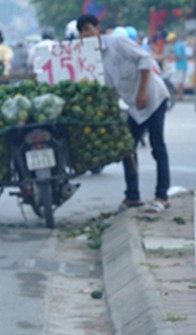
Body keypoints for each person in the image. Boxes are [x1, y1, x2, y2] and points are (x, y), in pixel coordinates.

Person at [76, 14, 171, 213]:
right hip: (134, 106)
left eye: (88, 29)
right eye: (82, 32)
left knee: (157, 147)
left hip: (153, 97)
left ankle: (162, 196)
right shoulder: (91, 59)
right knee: (127, 148)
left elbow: (145, 60)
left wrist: (142, 91)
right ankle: (132, 196)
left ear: (97, 28)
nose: (86, 34)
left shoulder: (117, 43)